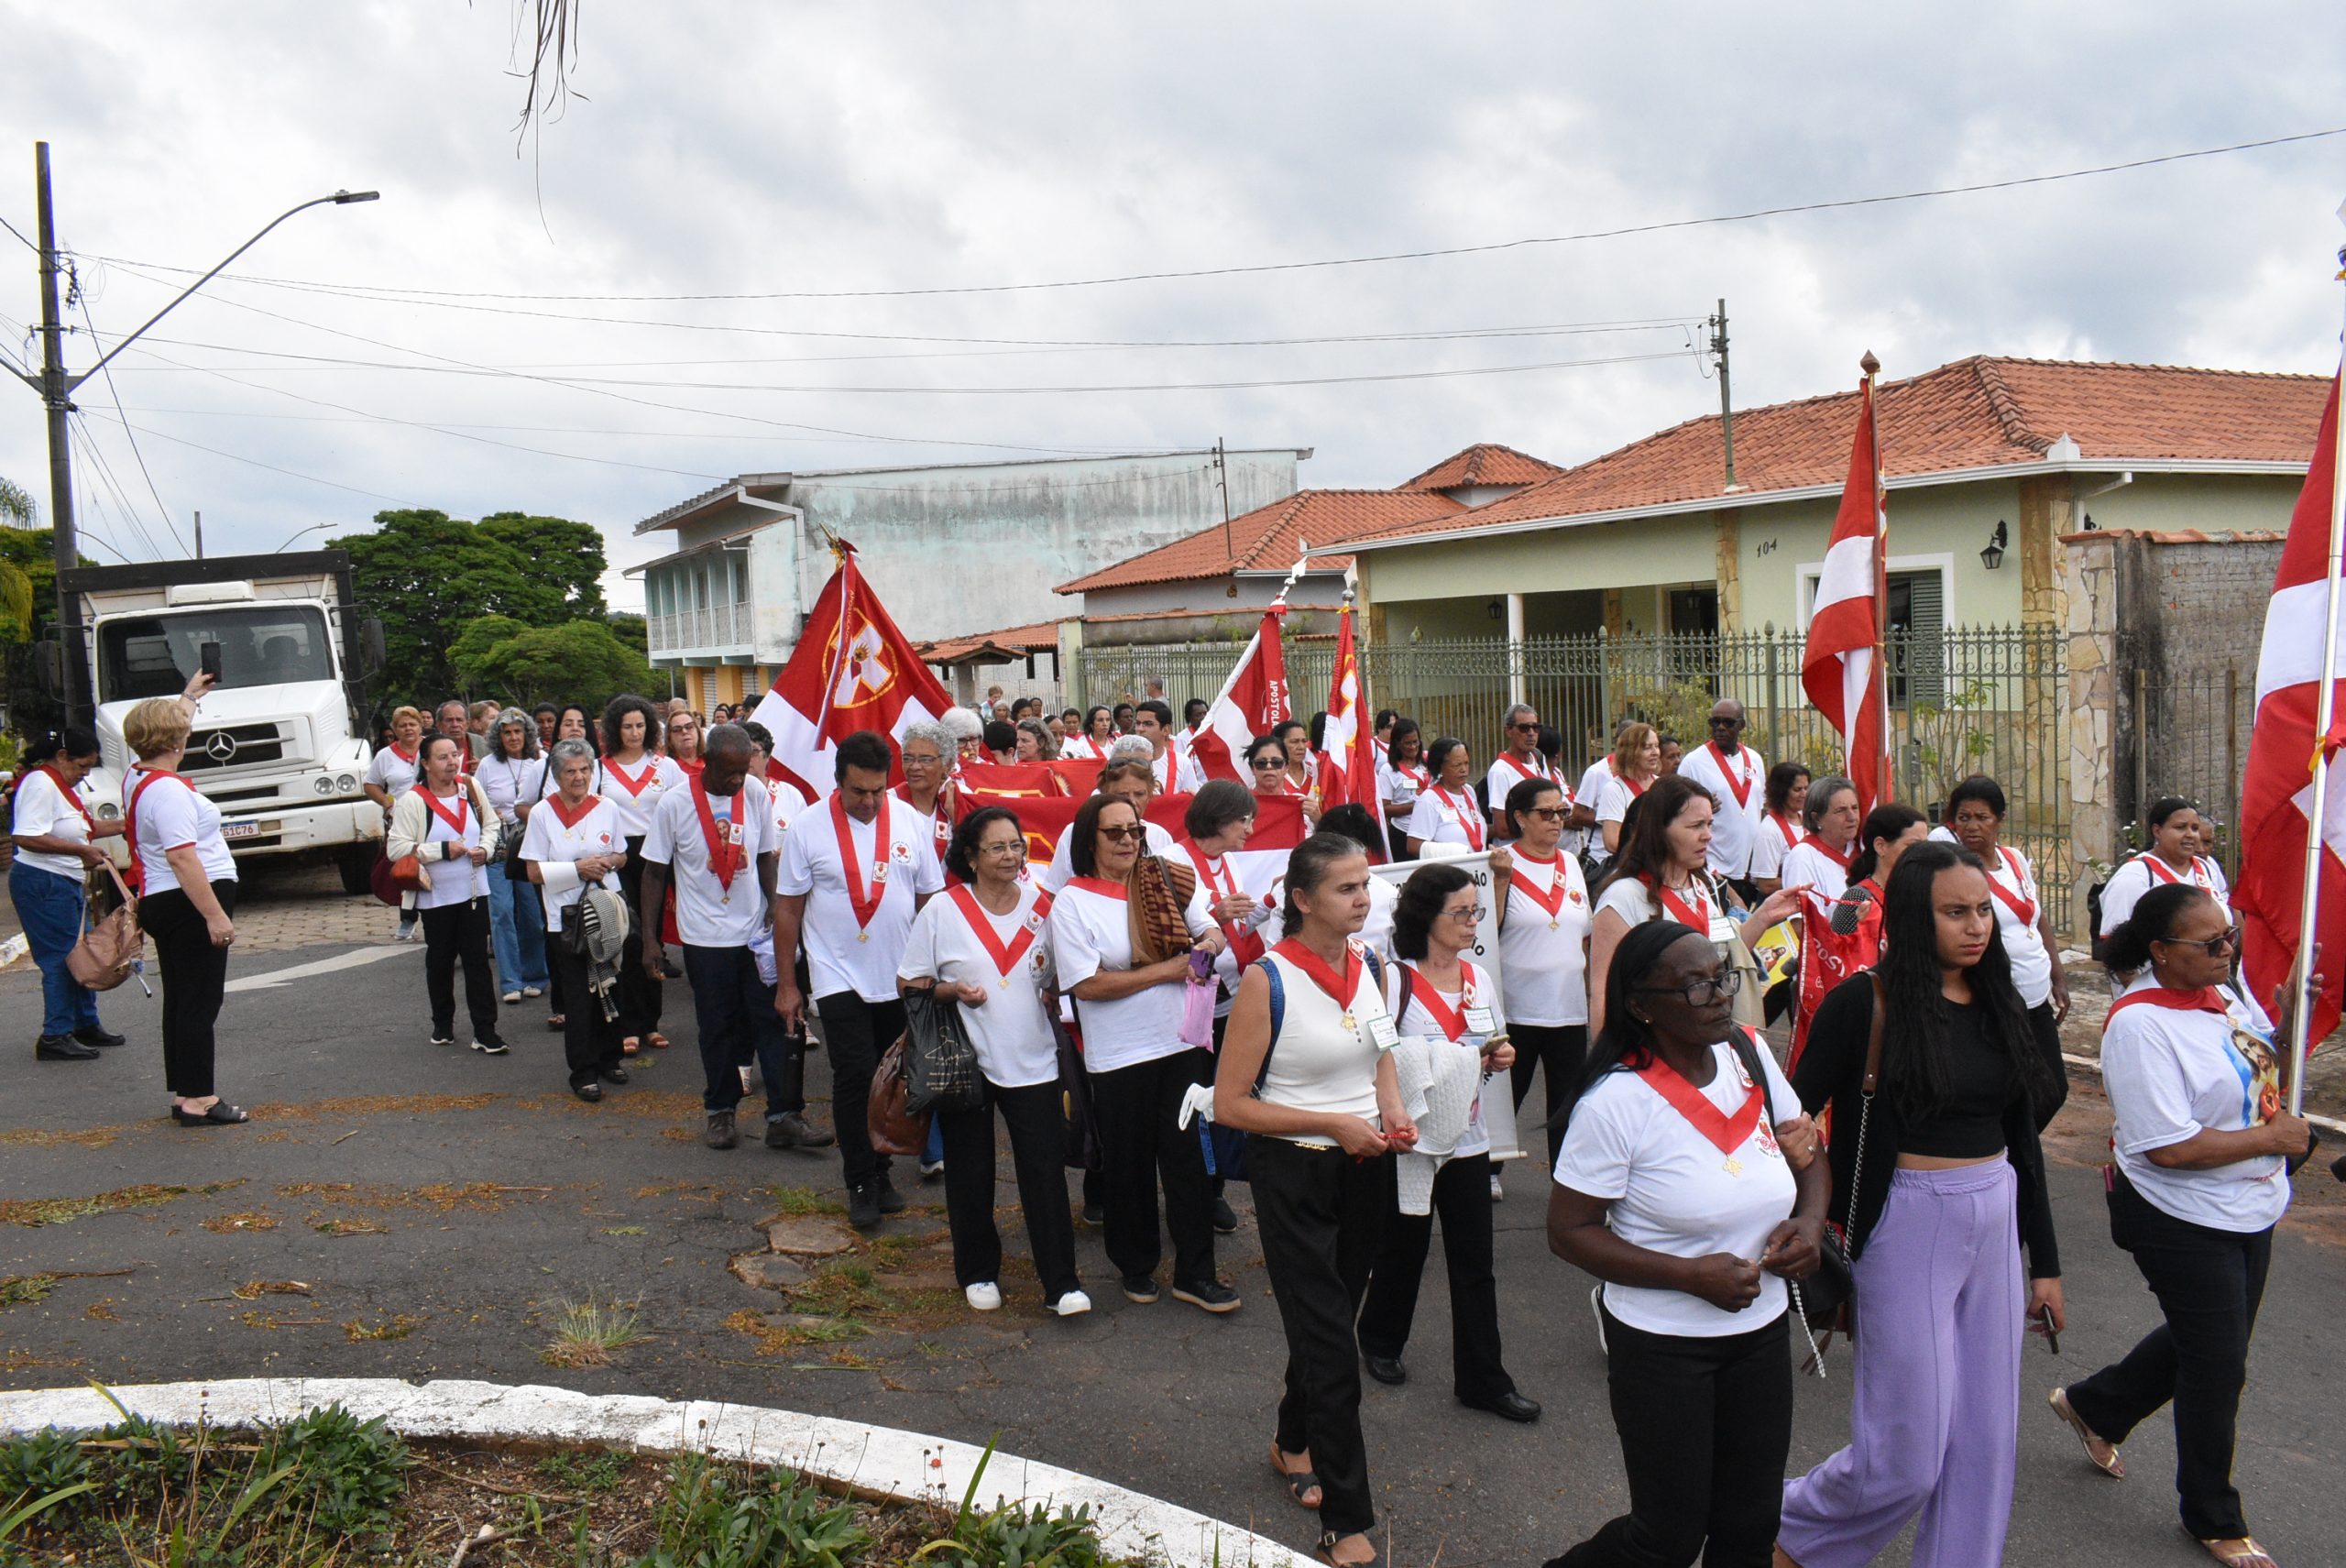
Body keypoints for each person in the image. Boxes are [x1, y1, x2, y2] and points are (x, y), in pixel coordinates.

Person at [1776, 841, 2068, 1568]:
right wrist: (1807, 1172)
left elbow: (2023, 1137)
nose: (1975, 927)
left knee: (1985, 1440)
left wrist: (2046, 1265)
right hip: (1907, 1220)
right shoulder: (1863, 1004)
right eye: (1954, 912)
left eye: (1982, 911)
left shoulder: (2002, 999)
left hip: (1994, 1212)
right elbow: (1793, 1112)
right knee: (1905, 1452)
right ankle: (1780, 1525)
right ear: (1913, 916)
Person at [1546, 919, 1827, 1568]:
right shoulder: (1615, 1101)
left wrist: (1810, 1225)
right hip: (1662, 1348)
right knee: (1668, 1536)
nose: (1719, 994)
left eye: (1721, 976)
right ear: (1641, 1006)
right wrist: (1688, 1274)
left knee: (1750, 1524)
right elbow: (1568, 1231)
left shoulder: (1750, 1055)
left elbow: (1809, 1156)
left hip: (1759, 1332)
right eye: (1695, 986)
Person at [2054, 886, 2313, 1568]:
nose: (2227, 949)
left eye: (2228, 935)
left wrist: (2284, 1024)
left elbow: (2255, 1073)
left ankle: (2095, 1406)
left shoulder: (2223, 996)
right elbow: (2166, 1146)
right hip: (2175, 1212)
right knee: (2218, 1362)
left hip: (2250, 1202)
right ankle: (2212, 1515)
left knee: (2210, 1339)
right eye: (2210, 943)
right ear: (2161, 951)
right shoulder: (2138, 1025)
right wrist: (2271, 1140)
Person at [1211, 833, 1412, 1568]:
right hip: (1293, 1169)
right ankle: (1347, 1520)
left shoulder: (1372, 964)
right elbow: (1231, 1105)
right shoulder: (1268, 980)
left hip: (1366, 1165)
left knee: (1326, 1321)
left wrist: (1389, 1107)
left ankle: (1291, 1439)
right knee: (1331, 1342)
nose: (1363, 898)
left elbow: (1381, 1049)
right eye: (1345, 888)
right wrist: (1330, 1119)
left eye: (1365, 885)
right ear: (1301, 899)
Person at [1357, 861, 1537, 1421]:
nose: (1471, 923)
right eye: (1460, 913)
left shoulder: (1478, 979)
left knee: (1474, 1261)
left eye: (1474, 913)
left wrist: (1499, 1054)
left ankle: (1483, 1378)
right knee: (1402, 1248)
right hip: (1412, 1139)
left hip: (1469, 1136)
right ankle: (1380, 1339)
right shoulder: (1394, 977)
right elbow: (1378, 1053)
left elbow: (1491, 1041)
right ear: (1426, 916)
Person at [898, 806, 1091, 1317]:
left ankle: (1062, 1283)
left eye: (1016, 846)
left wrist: (1053, 990)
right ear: (971, 856)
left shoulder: (1046, 906)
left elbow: (1062, 975)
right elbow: (910, 982)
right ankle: (979, 1271)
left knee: (1044, 1173)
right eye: (997, 848)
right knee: (970, 1170)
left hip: (1035, 1061)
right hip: (967, 1063)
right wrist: (952, 990)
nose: (1010, 856)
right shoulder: (943, 909)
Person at [1050, 792, 1236, 1310]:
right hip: (1119, 1057)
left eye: (1134, 829)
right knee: (1129, 1168)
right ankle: (1136, 1265)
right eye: (1115, 832)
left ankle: (1197, 1273)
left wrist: (1208, 947)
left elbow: (1212, 929)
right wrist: (1168, 971)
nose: (1128, 840)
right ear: (1090, 841)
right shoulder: (1072, 902)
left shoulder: (1166, 878)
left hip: (1182, 1044)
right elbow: (1085, 984)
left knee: (1191, 1164)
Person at [775, 729, 946, 1230]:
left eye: (877, 791)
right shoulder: (807, 828)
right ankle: (859, 1179)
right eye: (858, 793)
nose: (869, 802)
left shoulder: (911, 823)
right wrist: (789, 986)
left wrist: (935, 967)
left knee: (892, 1078)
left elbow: (929, 901)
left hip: (899, 972)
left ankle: (883, 1168)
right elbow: (787, 910)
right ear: (838, 783)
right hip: (836, 972)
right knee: (853, 1074)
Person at [640, 722, 803, 1149]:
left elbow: (766, 857)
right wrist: (650, 939)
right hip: (704, 937)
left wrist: (774, 907)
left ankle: (783, 1115)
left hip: (753, 933)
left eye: (743, 770)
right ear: (708, 763)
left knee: (770, 1019)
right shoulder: (674, 804)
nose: (737, 780)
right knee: (717, 1027)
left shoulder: (753, 793)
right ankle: (721, 1111)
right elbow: (654, 872)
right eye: (730, 772)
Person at [1585, 775, 1803, 1036]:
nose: (1708, 836)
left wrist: (1764, 916)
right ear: (1660, 829)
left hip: (1707, 1040)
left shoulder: (1702, 885)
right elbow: (1603, 996)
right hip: (1654, 1045)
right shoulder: (1623, 897)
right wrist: (1608, 1070)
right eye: (1696, 825)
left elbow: (1722, 953)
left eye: (1710, 824)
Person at [122, 679, 247, 1125]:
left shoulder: (138, 776)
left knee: (180, 999)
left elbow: (169, 726)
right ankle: (199, 1097)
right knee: (200, 1001)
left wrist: (189, 698)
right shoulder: (170, 790)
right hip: (187, 900)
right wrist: (214, 915)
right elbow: (181, 856)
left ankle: (185, 1091)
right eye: (183, 729)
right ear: (176, 740)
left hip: (164, 899)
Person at [9, 724, 130, 1060]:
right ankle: (55, 1034)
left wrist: (125, 824)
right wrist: (80, 852)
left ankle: (84, 1023)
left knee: (82, 953)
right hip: (43, 881)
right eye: (81, 766)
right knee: (62, 958)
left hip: (61, 881)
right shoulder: (40, 784)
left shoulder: (59, 785)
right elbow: (27, 836)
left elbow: (82, 829)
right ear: (62, 756)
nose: (84, 774)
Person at [1492, 776, 1591, 1180]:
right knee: (1506, 1096)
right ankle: (1489, 1169)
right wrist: (1499, 881)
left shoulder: (1569, 863)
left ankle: (1566, 1181)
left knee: (1568, 1102)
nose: (1556, 821)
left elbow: (1583, 931)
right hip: (1518, 1007)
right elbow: (1486, 931)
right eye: (1545, 813)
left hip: (1568, 1007)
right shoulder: (1499, 862)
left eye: (1562, 813)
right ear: (1519, 817)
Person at [524, 738, 630, 1101]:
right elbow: (534, 872)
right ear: (557, 776)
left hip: (604, 909)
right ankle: (582, 1071)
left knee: (611, 982)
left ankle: (609, 1057)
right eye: (570, 771)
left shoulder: (607, 807)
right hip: (565, 918)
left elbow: (622, 855)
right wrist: (576, 869)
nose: (579, 777)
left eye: (585, 769)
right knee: (578, 995)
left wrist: (609, 862)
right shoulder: (542, 813)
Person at [389, 734, 508, 1054]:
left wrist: (484, 847)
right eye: (441, 757)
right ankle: (442, 1023)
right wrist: (441, 849)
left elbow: (492, 824)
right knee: (440, 961)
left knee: (477, 962)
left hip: (473, 890)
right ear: (425, 763)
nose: (451, 762)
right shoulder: (413, 800)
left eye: (454, 755)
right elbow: (396, 848)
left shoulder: (469, 787)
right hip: (435, 896)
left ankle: (485, 1030)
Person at [1945, 774, 2071, 1048]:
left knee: (2053, 1085)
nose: (1972, 826)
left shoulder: (2014, 858)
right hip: (1995, 1001)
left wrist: (2058, 977)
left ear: (2000, 819)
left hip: (2037, 997)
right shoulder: (1955, 872)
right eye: (1964, 818)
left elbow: (2038, 919)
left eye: (1982, 817)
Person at [596, 696, 686, 1054]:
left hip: (659, 856)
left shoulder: (666, 767)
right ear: (615, 729)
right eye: (627, 726)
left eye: (640, 725)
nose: (635, 733)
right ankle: (628, 1025)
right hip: (618, 858)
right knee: (628, 939)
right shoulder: (600, 768)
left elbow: (683, 808)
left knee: (655, 939)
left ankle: (651, 1023)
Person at [477, 708, 550, 1006]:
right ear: (499, 736)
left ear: (527, 734)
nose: (513, 737)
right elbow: (476, 802)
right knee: (502, 912)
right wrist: (490, 815)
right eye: (507, 732)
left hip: (529, 843)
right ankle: (510, 981)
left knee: (532, 915)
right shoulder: (487, 765)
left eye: (518, 731)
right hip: (498, 844)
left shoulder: (542, 762)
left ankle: (535, 975)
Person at [2098, 795, 2232, 940]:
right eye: (2180, 827)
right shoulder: (2134, 876)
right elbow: (2114, 941)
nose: (2191, 835)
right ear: (2157, 831)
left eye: (2195, 828)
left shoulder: (2207, 867)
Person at [1675, 700, 1769, 899]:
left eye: (1728, 723)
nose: (1720, 728)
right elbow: (1676, 811)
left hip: (1750, 867)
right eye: (1715, 722)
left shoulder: (1755, 759)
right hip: (1714, 865)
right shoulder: (1693, 762)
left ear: (1741, 725)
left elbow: (1758, 807)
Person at [1042, 755, 1178, 892]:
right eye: (1122, 794)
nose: (1131, 801)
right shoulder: (1075, 831)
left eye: (1139, 794)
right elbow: (1054, 890)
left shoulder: (1160, 836)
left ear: (1149, 796)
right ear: (1104, 794)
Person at [1316, 803, 1399, 962]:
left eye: (1365, 886)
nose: (1362, 902)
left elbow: (1401, 961)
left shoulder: (1389, 894)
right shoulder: (1292, 889)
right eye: (1346, 889)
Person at [1778, 775, 1860, 906]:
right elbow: (1804, 921)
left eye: (1855, 808)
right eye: (1840, 810)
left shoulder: (1862, 848)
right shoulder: (1803, 858)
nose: (1852, 817)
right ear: (1816, 818)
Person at [1485, 703, 1560, 839]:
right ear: (1509, 731)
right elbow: (1502, 829)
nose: (1531, 733)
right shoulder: (1500, 771)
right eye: (1524, 728)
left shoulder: (1538, 757)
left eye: (1536, 728)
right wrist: (1539, 830)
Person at [1404, 737, 1485, 859]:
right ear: (1440, 767)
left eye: (1466, 763)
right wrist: (1456, 852)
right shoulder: (1429, 799)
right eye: (1457, 765)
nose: (1464, 770)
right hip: (1449, 873)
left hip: (1477, 870)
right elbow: (1413, 845)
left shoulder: (1469, 791)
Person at [1595, 722, 1663, 863]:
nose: (1655, 752)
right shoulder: (1614, 789)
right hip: (1632, 867)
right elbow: (1612, 842)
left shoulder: (1661, 784)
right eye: (1647, 747)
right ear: (1630, 752)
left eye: (1656, 746)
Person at [1749, 762, 1812, 897]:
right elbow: (1766, 884)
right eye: (1797, 789)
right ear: (1781, 792)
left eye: (1806, 788)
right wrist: (1805, 881)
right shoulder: (1769, 831)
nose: (1804, 794)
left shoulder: (1807, 821)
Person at [1380, 717, 1430, 861]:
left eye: (1416, 742)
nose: (1413, 747)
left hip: (1430, 832)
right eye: (1408, 743)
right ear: (1397, 744)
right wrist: (1416, 807)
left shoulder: (1428, 762)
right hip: (1403, 833)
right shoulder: (1388, 770)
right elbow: (1384, 808)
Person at [1134, 699, 1197, 794]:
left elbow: (1191, 802)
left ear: (1166, 730)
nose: (1140, 729)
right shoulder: (1123, 762)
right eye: (1138, 723)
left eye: (1148, 724)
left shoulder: (1182, 763)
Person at [1274, 718, 1316, 796]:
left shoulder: (1315, 770)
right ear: (1279, 743)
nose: (1301, 747)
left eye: (1304, 741)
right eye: (1294, 742)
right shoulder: (1272, 775)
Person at [665, 707, 705, 774]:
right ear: (669, 738)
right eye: (677, 729)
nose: (684, 731)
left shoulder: (712, 762)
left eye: (689, 727)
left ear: (698, 731)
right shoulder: (665, 767)